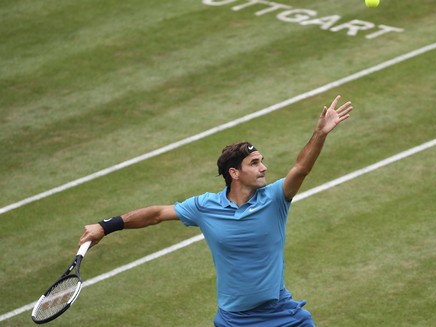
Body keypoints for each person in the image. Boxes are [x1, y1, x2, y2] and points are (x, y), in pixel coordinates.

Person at [79, 95, 353, 326]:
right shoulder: (204, 206)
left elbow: (301, 168)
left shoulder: (275, 198)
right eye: (254, 163)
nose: (264, 168)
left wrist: (320, 133)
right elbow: (156, 214)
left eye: (262, 161)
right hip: (235, 320)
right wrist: (106, 226)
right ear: (234, 172)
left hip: (281, 314)